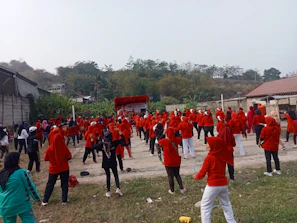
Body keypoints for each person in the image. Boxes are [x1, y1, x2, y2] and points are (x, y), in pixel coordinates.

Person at [193, 137, 236, 223]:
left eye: (208, 143)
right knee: (226, 204)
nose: (206, 145)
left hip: (213, 185)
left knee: (205, 206)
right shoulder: (221, 156)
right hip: (223, 184)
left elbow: (202, 174)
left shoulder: (209, 157)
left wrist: (196, 176)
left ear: (213, 146)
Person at [0, 152, 41, 223]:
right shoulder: (21, 173)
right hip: (22, 204)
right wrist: (37, 199)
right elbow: (30, 187)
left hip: (6, 205)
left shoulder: (1, 174)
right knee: (29, 220)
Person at [42, 133, 72, 206]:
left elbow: (45, 158)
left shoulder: (49, 148)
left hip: (53, 169)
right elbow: (69, 156)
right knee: (64, 184)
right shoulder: (64, 147)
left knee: (50, 184)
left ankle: (45, 200)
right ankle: (64, 200)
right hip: (64, 168)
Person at [94, 127, 124, 198]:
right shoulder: (114, 143)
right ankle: (118, 188)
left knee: (108, 176)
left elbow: (94, 147)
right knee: (115, 175)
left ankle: (108, 191)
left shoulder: (102, 145)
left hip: (105, 162)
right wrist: (120, 132)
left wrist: (93, 140)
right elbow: (123, 140)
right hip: (113, 161)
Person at [158, 127, 186, 194]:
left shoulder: (165, 141)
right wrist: (174, 132)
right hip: (176, 161)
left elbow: (159, 140)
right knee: (177, 175)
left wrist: (163, 134)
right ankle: (182, 188)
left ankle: (172, 190)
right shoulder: (176, 140)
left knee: (170, 176)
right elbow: (179, 137)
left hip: (168, 161)